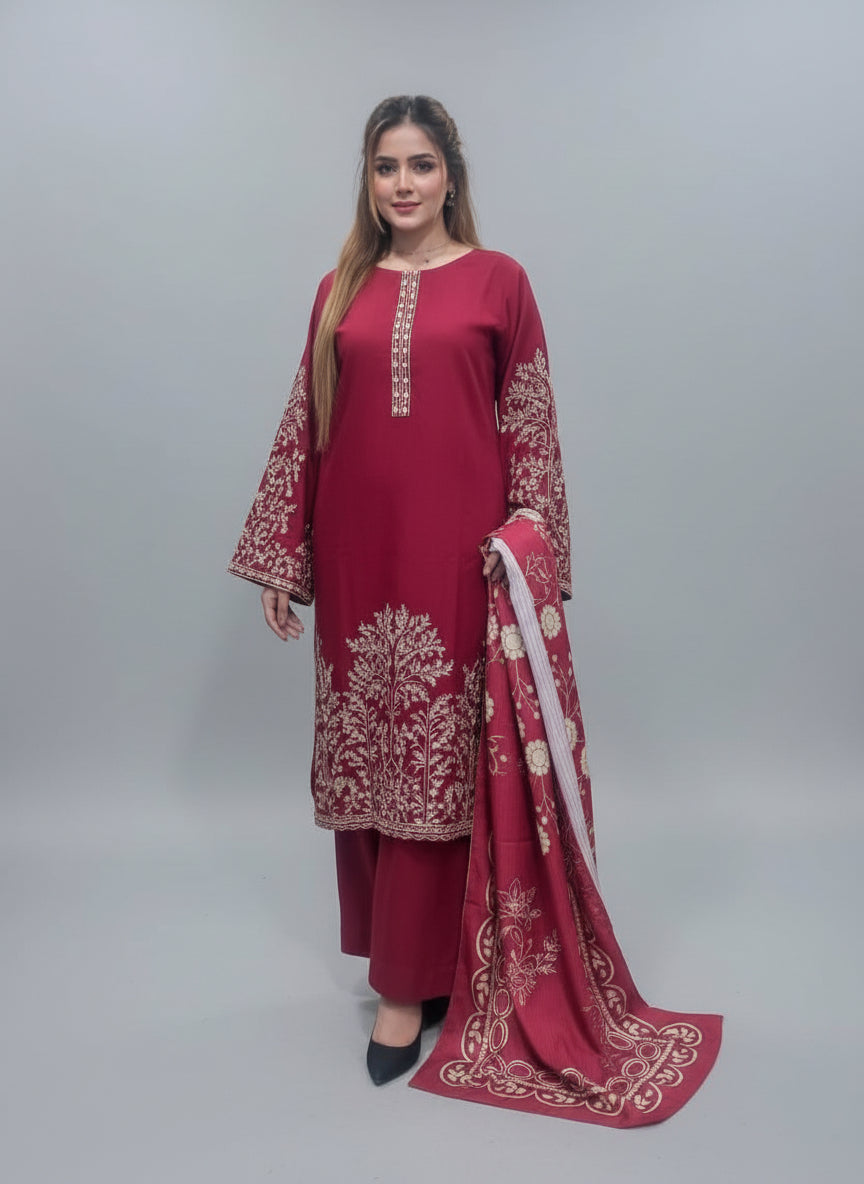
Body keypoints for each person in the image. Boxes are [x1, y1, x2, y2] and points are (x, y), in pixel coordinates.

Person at [227, 94, 571, 1086]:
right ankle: (399, 967)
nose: (404, 184)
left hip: (459, 561)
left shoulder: (500, 283)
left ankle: (412, 988)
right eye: (386, 167)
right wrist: (286, 552)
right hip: (357, 556)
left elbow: (532, 424)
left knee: (436, 766)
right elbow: (308, 422)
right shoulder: (341, 288)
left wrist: (529, 544)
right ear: (369, 182)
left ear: (451, 176)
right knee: (373, 766)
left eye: (421, 165)